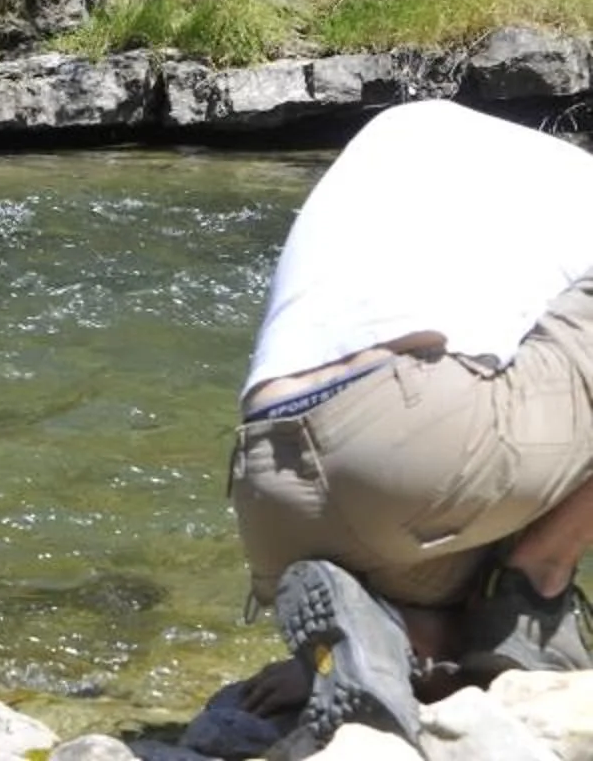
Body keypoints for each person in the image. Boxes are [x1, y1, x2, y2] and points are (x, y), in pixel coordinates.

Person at [230, 98, 593, 748]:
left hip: (269, 498)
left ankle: (392, 636)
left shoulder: (401, 138)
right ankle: (540, 575)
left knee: (469, 433)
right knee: (470, 445)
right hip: (411, 454)